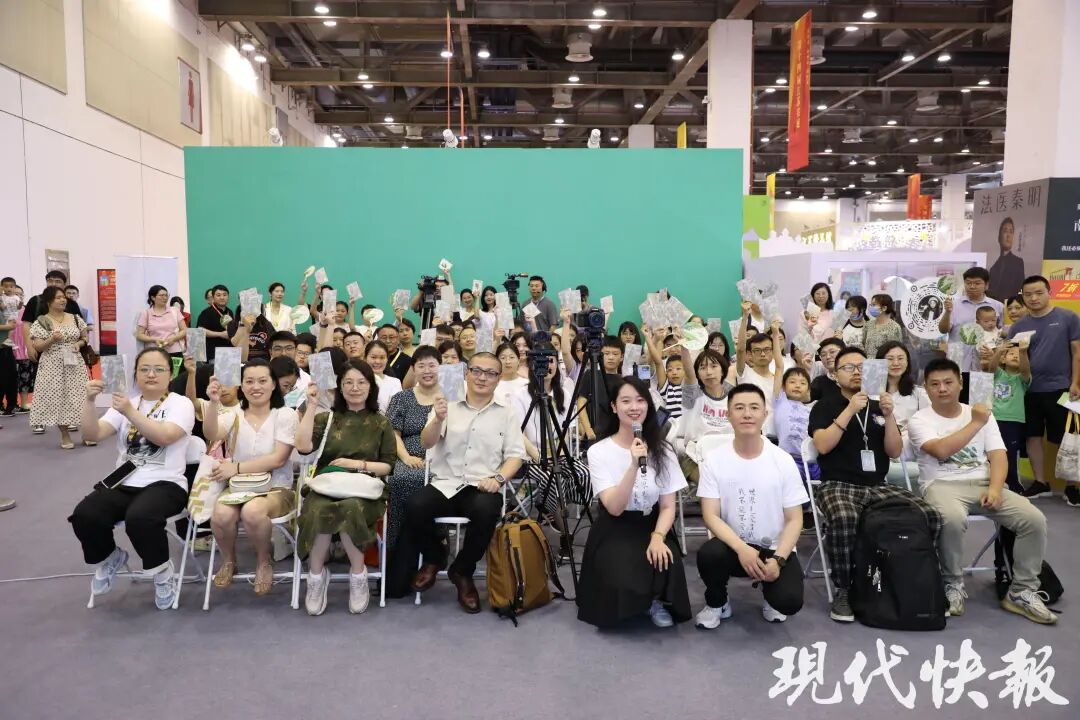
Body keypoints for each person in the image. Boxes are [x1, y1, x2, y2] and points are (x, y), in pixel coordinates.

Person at [908, 358, 1055, 624]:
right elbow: (940, 450)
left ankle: (1022, 591)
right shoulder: (921, 419)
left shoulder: (981, 414)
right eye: (935, 384)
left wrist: (996, 489)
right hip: (941, 485)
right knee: (951, 519)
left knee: (1033, 519)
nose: (942, 389)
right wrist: (976, 422)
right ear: (926, 389)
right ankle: (952, 584)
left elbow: (998, 455)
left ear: (960, 384)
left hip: (984, 484)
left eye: (948, 382)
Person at [807, 346, 941, 623]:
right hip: (838, 484)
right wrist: (849, 410)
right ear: (835, 375)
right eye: (849, 368)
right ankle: (844, 589)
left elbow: (894, 451)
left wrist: (890, 416)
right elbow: (822, 445)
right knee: (844, 518)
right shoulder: (825, 405)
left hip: (878, 484)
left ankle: (915, 580)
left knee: (929, 514)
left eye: (862, 367)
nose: (856, 372)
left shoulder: (880, 405)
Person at [70, 347, 196, 610]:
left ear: (171, 373)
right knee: (85, 514)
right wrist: (89, 401)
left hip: (166, 483)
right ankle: (110, 557)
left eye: (158, 369)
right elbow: (92, 435)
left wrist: (129, 412)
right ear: (135, 373)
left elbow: (165, 437)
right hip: (123, 481)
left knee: (141, 518)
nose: (151, 374)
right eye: (144, 369)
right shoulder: (127, 402)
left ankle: (162, 573)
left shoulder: (180, 403)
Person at [405, 352, 525, 614]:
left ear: (498, 379)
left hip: (482, 485)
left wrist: (498, 478)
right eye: (477, 371)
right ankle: (435, 557)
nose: (482, 378)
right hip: (446, 482)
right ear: (467, 373)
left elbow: (516, 455)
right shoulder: (446, 404)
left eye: (490, 373)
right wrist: (437, 419)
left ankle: (462, 570)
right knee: (415, 505)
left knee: (487, 510)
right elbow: (426, 443)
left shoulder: (506, 413)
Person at [577, 376, 691, 628]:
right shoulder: (599, 451)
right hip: (616, 525)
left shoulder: (664, 450)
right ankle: (638, 599)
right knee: (622, 575)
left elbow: (668, 506)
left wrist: (658, 537)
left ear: (648, 405)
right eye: (626, 401)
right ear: (614, 407)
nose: (634, 407)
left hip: (653, 523)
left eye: (640, 400)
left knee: (663, 559)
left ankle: (655, 600)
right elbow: (614, 507)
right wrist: (632, 466)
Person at [695, 383, 808, 627]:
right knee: (709, 554)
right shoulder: (714, 460)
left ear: (765, 415)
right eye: (739, 408)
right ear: (728, 414)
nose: (747, 414)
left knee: (788, 602)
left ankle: (771, 594)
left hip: (774, 549)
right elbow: (710, 515)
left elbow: (795, 519)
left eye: (754, 408)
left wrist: (779, 559)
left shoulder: (782, 460)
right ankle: (717, 602)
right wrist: (741, 548)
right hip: (733, 548)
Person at [294, 360, 397, 616]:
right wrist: (311, 406)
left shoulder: (381, 422)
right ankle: (316, 577)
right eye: (348, 382)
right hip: (326, 487)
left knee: (350, 507)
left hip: (364, 489)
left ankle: (358, 575)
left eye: (361, 382)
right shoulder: (327, 418)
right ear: (339, 387)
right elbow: (303, 447)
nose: (355, 387)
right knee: (318, 508)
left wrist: (357, 464)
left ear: (371, 387)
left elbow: (388, 466)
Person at [204, 359, 298, 595]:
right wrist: (213, 403)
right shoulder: (234, 413)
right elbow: (212, 433)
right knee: (221, 514)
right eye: (249, 381)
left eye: (262, 381)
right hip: (239, 487)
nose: (256, 387)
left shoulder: (285, 414)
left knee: (252, 512)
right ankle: (229, 560)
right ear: (241, 385)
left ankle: (263, 561)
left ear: (274, 384)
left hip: (276, 488)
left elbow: (279, 459)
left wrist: (235, 468)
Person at [1006, 275, 1080, 504]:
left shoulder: (1068, 317)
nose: (1033, 298)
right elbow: (1012, 360)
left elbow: (1077, 352)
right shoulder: (1018, 326)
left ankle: (1072, 486)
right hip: (1028, 390)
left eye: (1039, 293)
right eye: (1028, 294)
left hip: (1062, 388)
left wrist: (1075, 382)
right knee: (1033, 436)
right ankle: (1040, 482)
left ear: (1050, 292)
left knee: (1066, 438)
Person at [384, 346, 442, 596]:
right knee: (401, 480)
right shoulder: (402, 398)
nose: (427, 371)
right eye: (421, 365)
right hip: (407, 456)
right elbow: (393, 433)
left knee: (430, 483)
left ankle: (419, 555)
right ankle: (406, 551)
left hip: (442, 459)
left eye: (432, 365)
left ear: (440, 368)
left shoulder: (450, 398)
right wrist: (406, 457)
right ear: (413, 369)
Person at [510, 343, 586, 526]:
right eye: (541, 361)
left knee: (584, 474)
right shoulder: (520, 395)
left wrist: (560, 454)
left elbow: (566, 429)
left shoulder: (564, 394)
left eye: (551, 361)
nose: (547, 365)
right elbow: (518, 432)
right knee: (552, 479)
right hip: (532, 456)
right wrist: (538, 457)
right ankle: (559, 520)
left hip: (560, 452)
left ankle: (555, 505)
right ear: (532, 365)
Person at [29, 286, 90, 449]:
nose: (63, 300)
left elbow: (85, 337)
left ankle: (87, 432)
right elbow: (38, 346)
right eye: (58, 297)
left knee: (81, 396)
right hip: (52, 364)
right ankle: (65, 434)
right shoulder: (41, 321)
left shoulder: (75, 318)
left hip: (74, 362)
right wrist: (52, 340)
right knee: (58, 398)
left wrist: (79, 343)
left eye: (64, 297)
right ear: (49, 301)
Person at [987, 336, 1032, 494]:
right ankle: (993, 482)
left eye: (1018, 355)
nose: (1015, 356)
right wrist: (999, 351)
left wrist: (1023, 352)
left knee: (1011, 454)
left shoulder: (1022, 379)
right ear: (1003, 359)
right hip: (993, 420)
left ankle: (1013, 484)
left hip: (1013, 422)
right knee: (992, 452)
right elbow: (991, 368)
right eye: (1011, 353)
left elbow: (1025, 370)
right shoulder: (998, 374)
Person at [937, 267, 1003, 372]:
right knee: (958, 383)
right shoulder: (953, 305)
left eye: (977, 283)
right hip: (957, 361)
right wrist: (947, 312)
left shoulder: (998, 306)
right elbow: (943, 330)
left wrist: (995, 352)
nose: (972, 286)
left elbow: (1002, 334)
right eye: (968, 283)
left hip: (985, 363)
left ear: (986, 285)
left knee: (982, 383)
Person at [135, 285, 187, 357]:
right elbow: (139, 335)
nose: (165, 298)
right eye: (161, 295)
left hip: (175, 351)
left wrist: (173, 338)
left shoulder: (175, 311)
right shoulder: (146, 313)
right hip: (154, 352)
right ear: (153, 297)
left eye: (166, 295)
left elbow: (184, 330)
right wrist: (154, 340)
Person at [988, 217, 1026, 301]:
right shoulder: (993, 269)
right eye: (1005, 231)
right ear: (999, 237)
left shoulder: (1018, 263)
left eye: (1011, 232)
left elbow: (1021, 291)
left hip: (1012, 307)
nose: (1008, 235)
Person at [196, 285, 233, 360]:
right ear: (213, 297)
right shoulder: (206, 312)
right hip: (213, 354)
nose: (222, 297)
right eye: (218, 295)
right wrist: (220, 334)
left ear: (228, 297)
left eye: (225, 295)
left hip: (229, 352)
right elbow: (200, 331)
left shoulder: (230, 312)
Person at [364, 340, 402, 413]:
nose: (377, 361)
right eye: (373, 357)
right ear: (365, 358)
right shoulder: (359, 381)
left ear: (387, 359)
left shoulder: (395, 382)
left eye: (382, 358)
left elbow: (398, 410)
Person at [0, 277, 20, 416]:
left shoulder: (13, 299)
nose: (7, 289)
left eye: (10, 286)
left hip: (7, 346)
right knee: (3, 377)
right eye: (4, 286)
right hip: (2, 345)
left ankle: (12, 405)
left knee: (11, 376)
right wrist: (7, 327)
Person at [863, 293, 903, 360]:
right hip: (868, 363)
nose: (870, 307)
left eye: (874, 305)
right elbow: (864, 344)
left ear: (884, 308)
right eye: (871, 305)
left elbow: (896, 350)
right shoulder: (868, 325)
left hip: (885, 363)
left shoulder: (895, 327)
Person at [809, 337, 844, 402]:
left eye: (832, 352)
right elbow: (805, 397)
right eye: (823, 355)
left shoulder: (857, 375)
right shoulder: (819, 382)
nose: (828, 357)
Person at [494, 342, 528, 406]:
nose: (508, 361)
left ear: (518, 360)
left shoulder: (527, 384)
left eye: (511, 357)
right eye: (503, 358)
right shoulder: (492, 385)